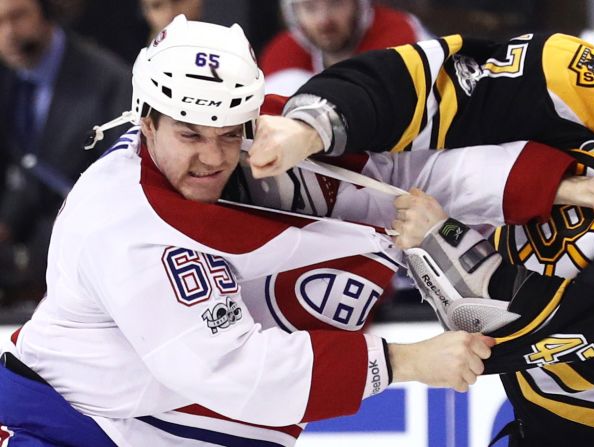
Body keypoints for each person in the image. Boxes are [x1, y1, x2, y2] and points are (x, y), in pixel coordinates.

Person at [245, 2, 594, 445]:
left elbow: (510, 329)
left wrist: (438, 239)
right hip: (539, 415)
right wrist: (314, 122)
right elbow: (431, 82)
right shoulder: (577, 74)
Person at [0, 16, 494, 446]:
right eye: (190, 133)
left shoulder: (215, 149)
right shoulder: (123, 227)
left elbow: (377, 167)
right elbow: (233, 368)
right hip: (62, 429)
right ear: (145, 122)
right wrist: (406, 362)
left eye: (229, 133)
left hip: (136, 424)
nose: (213, 158)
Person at [0, 0, 131, 307]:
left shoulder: (109, 80)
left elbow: (118, 185)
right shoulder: (7, 78)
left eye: (18, 17)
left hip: (86, 262)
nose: (7, 33)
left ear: (48, 11)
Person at [258, 0, 430, 96]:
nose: (324, 21)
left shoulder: (399, 36)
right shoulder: (282, 55)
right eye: (309, 7)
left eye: (336, 3)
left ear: (359, 5)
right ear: (293, 14)